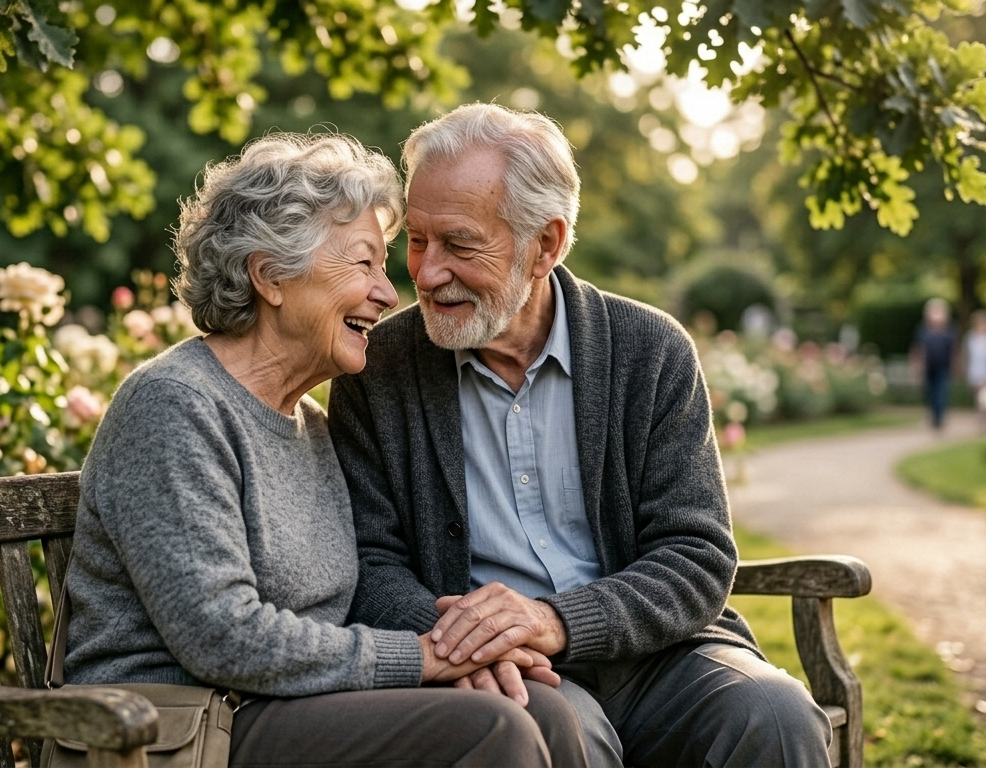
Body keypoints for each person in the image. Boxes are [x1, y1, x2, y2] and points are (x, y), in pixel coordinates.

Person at [62, 132, 588, 768]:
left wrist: (464, 649)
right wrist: (425, 657)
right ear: (271, 277)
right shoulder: (174, 405)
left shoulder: (308, 423)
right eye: (364, 265)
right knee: (490, 732)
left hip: (282, 707)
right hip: (179, 728)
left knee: (542, 708)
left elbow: (352, 595)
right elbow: (222, 636)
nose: (391, 293)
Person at [328, 104, 832, 767]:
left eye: (459, 242)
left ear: (547, 243)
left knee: (775, 713)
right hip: (509, 674)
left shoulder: (650, 351)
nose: (423, 273)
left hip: (662, 656)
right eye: (417, 240)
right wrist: (461, 641)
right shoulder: (380, 368)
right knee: (556, 731)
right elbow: (371, 561)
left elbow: (697, 552)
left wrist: (557, 621)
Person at [912, 298, 957, 429]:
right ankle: (933, 415)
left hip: (943, 367)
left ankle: (939, 418)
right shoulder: (923, 330)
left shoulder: (949, 331)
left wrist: (955, 366)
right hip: (928, 368)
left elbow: (954, 351)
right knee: (930, 393)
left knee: (941, 392)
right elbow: (918, 349)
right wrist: (917, 366)